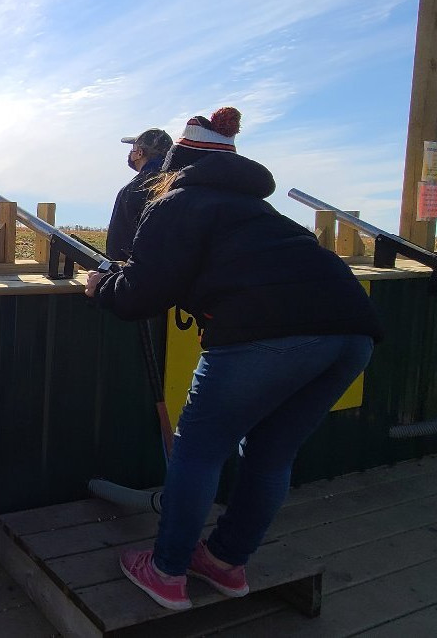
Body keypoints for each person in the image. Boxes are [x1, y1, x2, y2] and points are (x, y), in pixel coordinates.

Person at [83, 107, 382, 611]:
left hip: (265, 333)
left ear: (177, 160)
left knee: (198, 449)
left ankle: (167, 571)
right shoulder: (262, 211)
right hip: (352, 332)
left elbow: (140, 293)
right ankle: (224, 561)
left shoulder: (177, 201)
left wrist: (102, 285)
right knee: (271, 453)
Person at [106, 128, 173, 261]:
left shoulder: (133, 190)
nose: (131, 153)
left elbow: (118, 246)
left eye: (133, 149)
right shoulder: (178, 184)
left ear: (140, 153)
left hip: (139, 275)